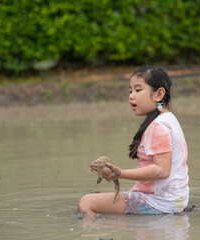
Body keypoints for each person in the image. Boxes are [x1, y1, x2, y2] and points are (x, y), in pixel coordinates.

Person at [79, 66, 189, 215]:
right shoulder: (169, 119)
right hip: (176, 200)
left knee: (87, 203)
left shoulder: (159, 126)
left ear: (159, 94)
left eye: (138, 90)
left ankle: (102, 231)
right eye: (130, 91)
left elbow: (162, 170)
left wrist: (121, 173)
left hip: (158, 202)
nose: (131, 96)